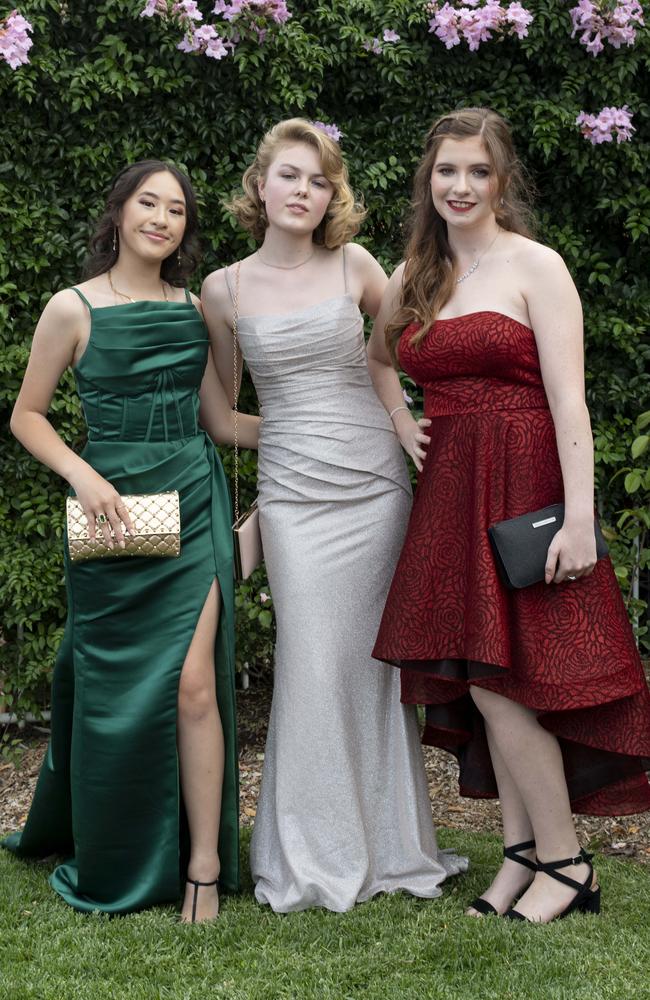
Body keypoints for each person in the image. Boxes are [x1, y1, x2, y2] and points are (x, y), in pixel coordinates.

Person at [370, 107, 650, 923]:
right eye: (447, 170)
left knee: (506, 682)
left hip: (528, 483)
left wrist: (578, 515)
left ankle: (564, 864)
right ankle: (527, 859)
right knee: (487, 677)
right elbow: (377, 355)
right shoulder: (414, 272)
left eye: (478, 171)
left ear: (501, 180)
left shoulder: (537, 265)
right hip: (453, 492)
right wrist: (400, 420)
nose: (461, 186)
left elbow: (570, 399)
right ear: (429, 179)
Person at [201, 118, 467, 913]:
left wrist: (403, 423)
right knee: (311, 661)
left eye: (319, 181)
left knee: (371, 669)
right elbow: (221, 417)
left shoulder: (355, 265)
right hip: (293, 493)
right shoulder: (224, 289)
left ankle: (389, 845)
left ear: (331, 196)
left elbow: (401, 355)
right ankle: (310, 855)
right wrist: (292, 432)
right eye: (290, 176)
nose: (305, 192)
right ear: (261, 185)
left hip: (376, 487)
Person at [3, 160, 259, 922]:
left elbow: (224, 423)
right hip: (113, 515)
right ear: (118, 212)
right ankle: (116, 847)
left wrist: (328, 429)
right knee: (115, 691)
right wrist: (83, 475)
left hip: (192, 501)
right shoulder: (71, 309)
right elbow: (27, 415)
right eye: (148, 202)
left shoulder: (193, 308)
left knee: (192, 684)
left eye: (176, 208)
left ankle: (204, 866)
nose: (162, 217)